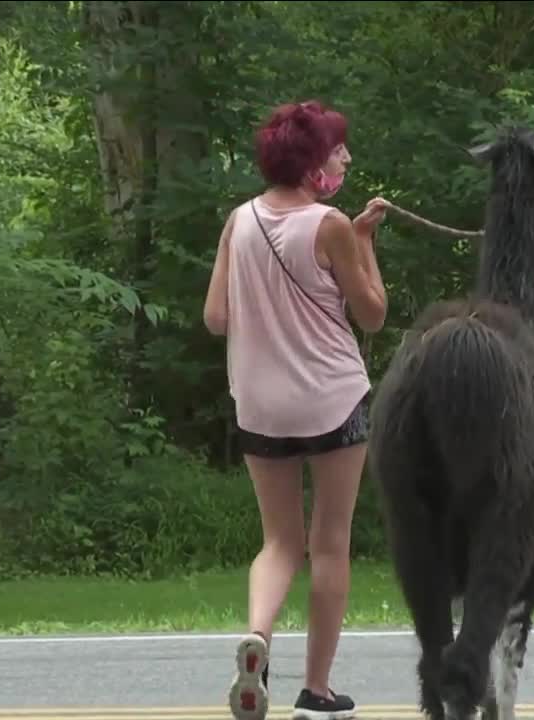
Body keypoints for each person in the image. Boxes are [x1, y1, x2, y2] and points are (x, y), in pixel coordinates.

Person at [203, 99, 389, 720]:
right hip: (332, 399)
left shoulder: (239, 220)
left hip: (260, 406)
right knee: (329, 545)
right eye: (339, 149)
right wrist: (364, 242)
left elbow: (216, 318)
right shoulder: (331, 223)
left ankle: (258, 636)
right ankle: (317, 691)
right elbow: (373, 315)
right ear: (313, 163)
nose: (346, 158)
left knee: (279, 542)